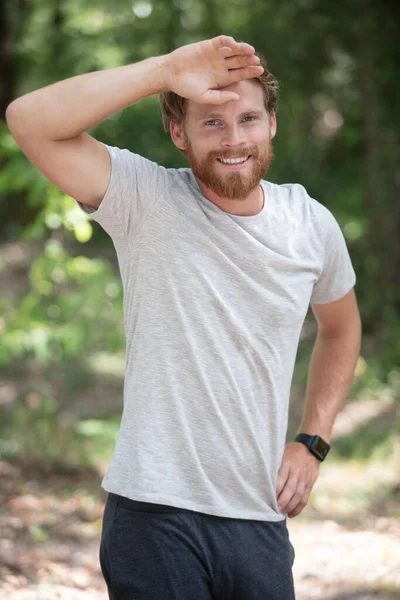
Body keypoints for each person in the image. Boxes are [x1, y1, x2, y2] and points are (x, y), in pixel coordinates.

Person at [6, 35, 362, 600]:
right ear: (179, 133)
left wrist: (312, 440)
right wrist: (164, 71)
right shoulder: (144, 199)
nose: (233, 139)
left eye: (247, 118)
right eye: (212, 123)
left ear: (272, 123)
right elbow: (28, 120)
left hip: (258, 519)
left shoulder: (310, 222)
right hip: (153, 515)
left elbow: (341, 328)